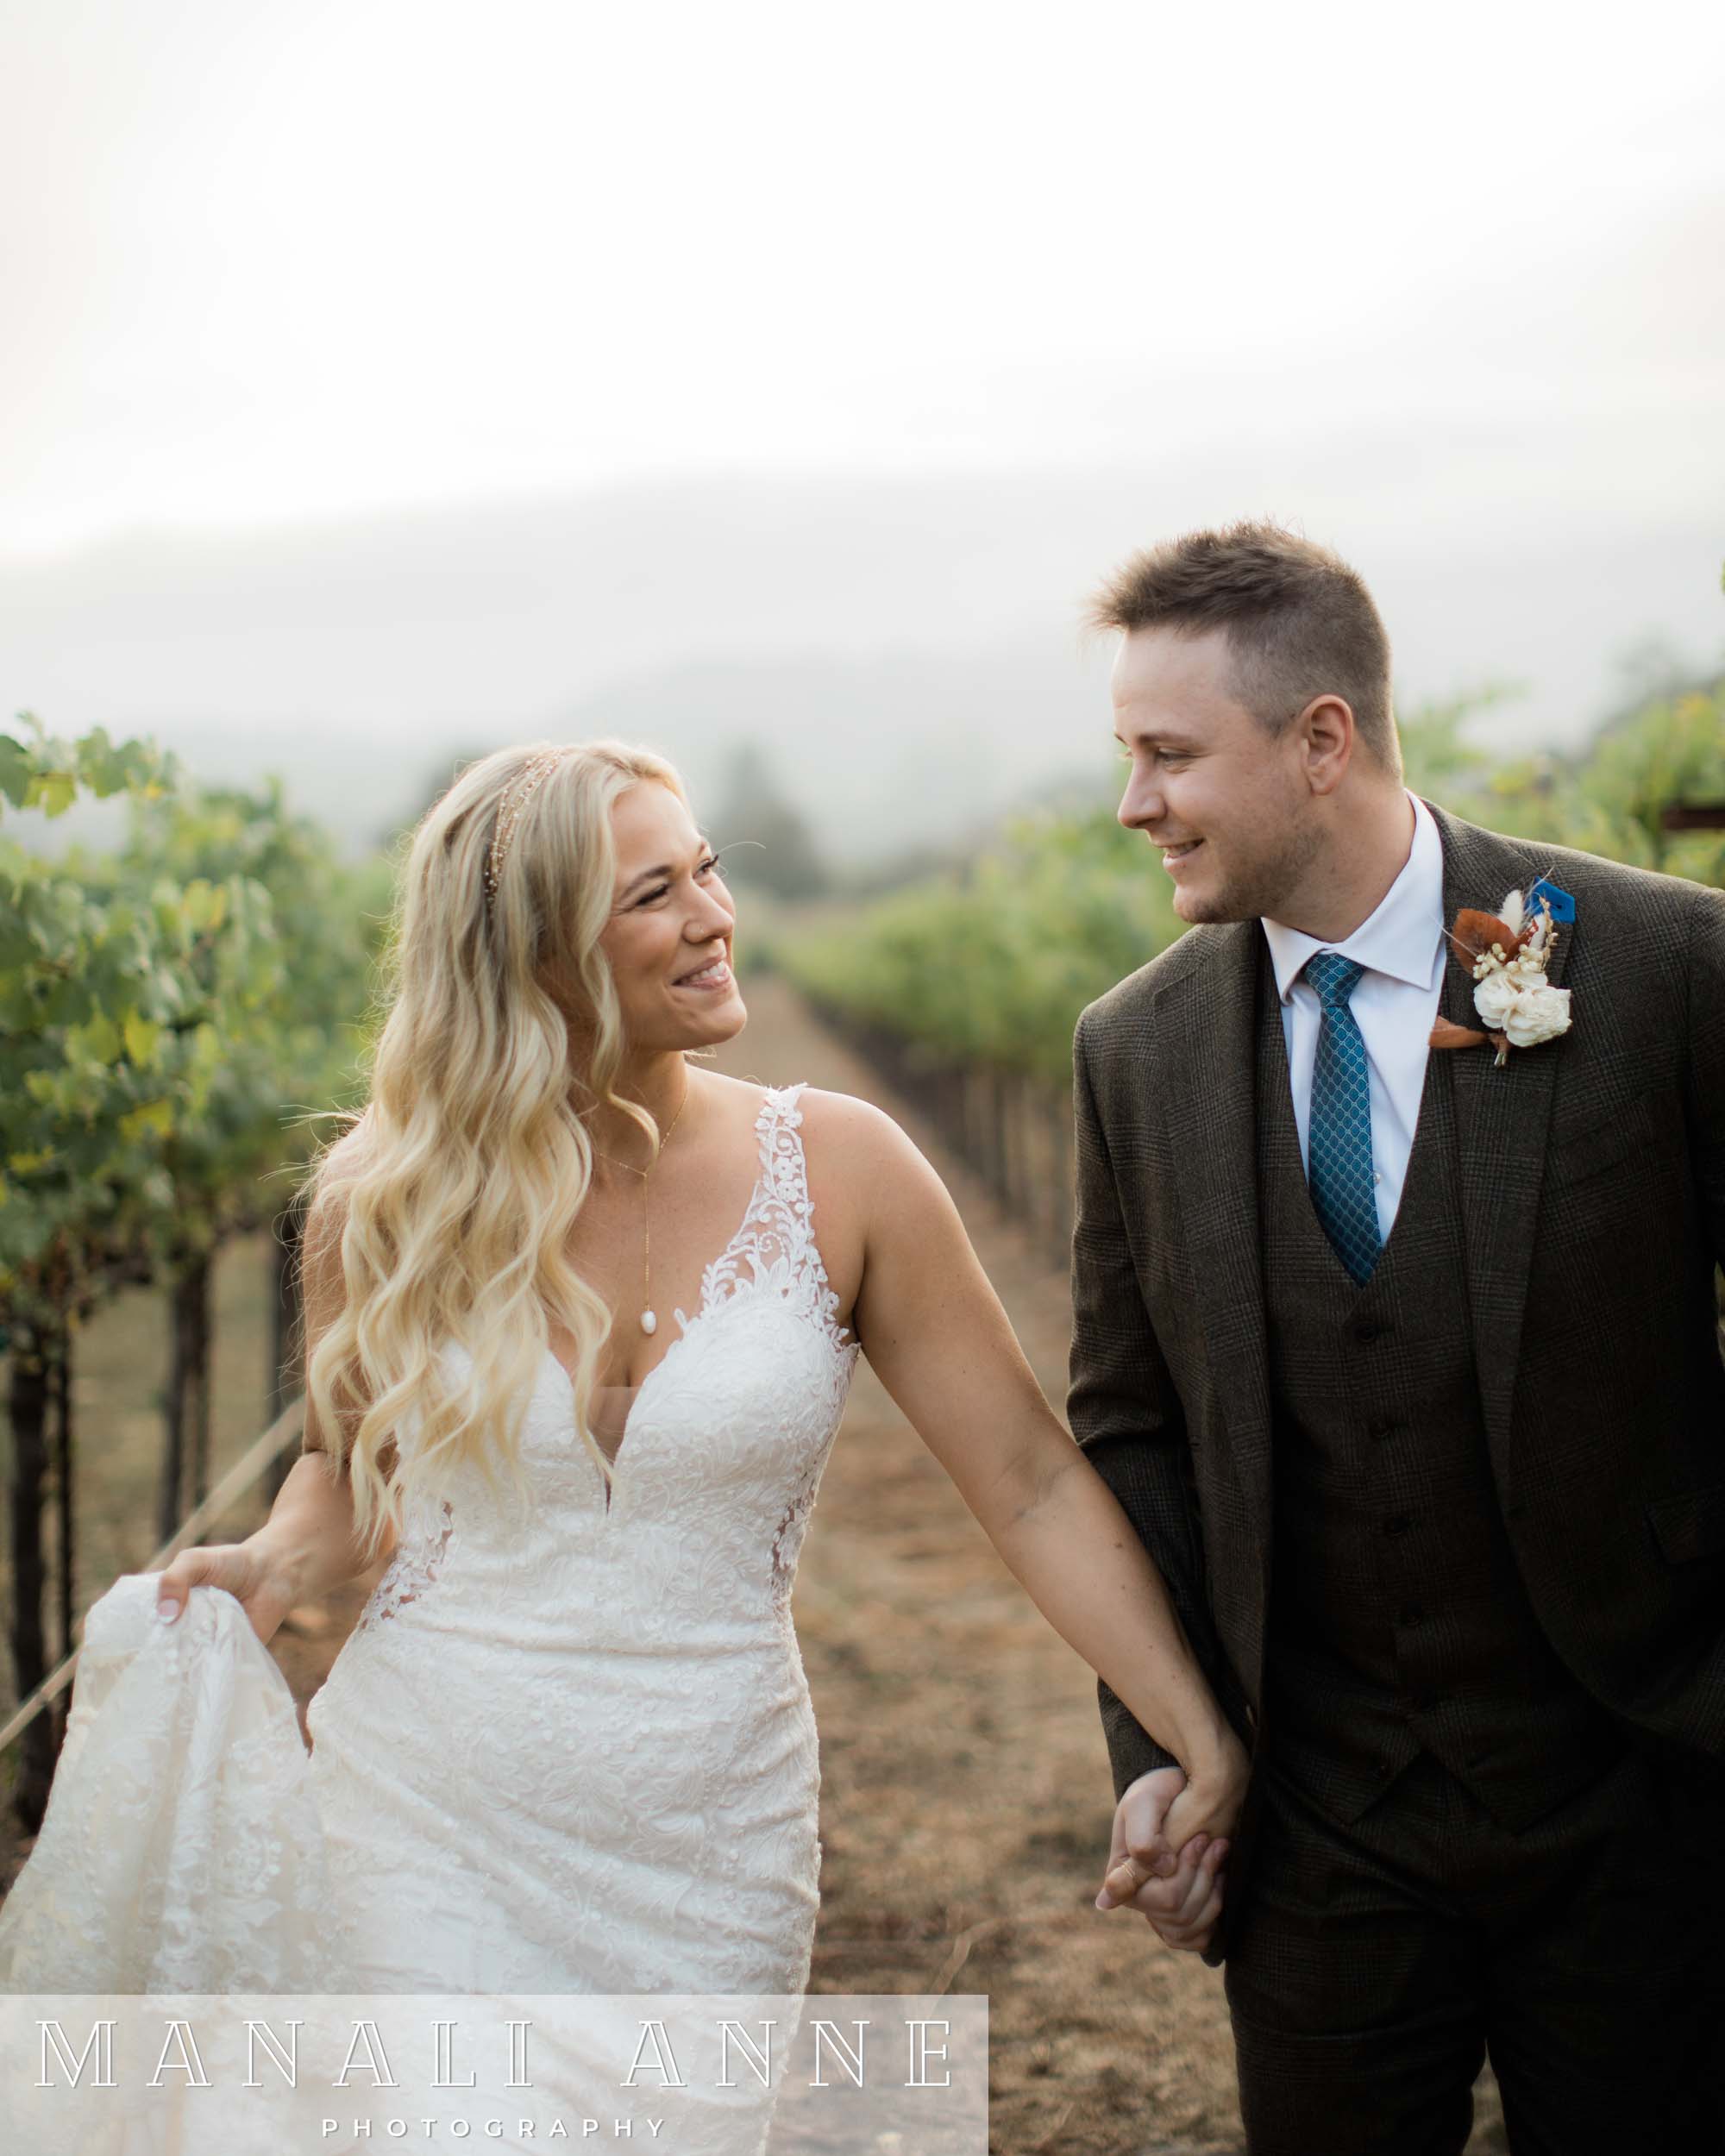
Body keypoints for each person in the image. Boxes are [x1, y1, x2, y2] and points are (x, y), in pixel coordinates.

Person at [40, 736, 1247, 1999]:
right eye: (652, 895)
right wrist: (271, 1564)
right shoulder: (383, 1203)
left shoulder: (844, 1170)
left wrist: (1192, 1725)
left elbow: (1030, 1484)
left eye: (706, 871)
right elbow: (346, 1471)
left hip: (714, 1842)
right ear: (534, 956)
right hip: (419, 1814)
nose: (715, 918)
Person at [1074, 521, 1725, 2153]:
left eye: (1168, 754)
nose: (1132, 801)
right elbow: (1128, 1428)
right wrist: (1165, 1745)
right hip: (1316, 1833)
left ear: (1321, 742)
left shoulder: (1663, 970)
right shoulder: (1131, 1053)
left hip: (1644, 1803)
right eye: (1126, 755)